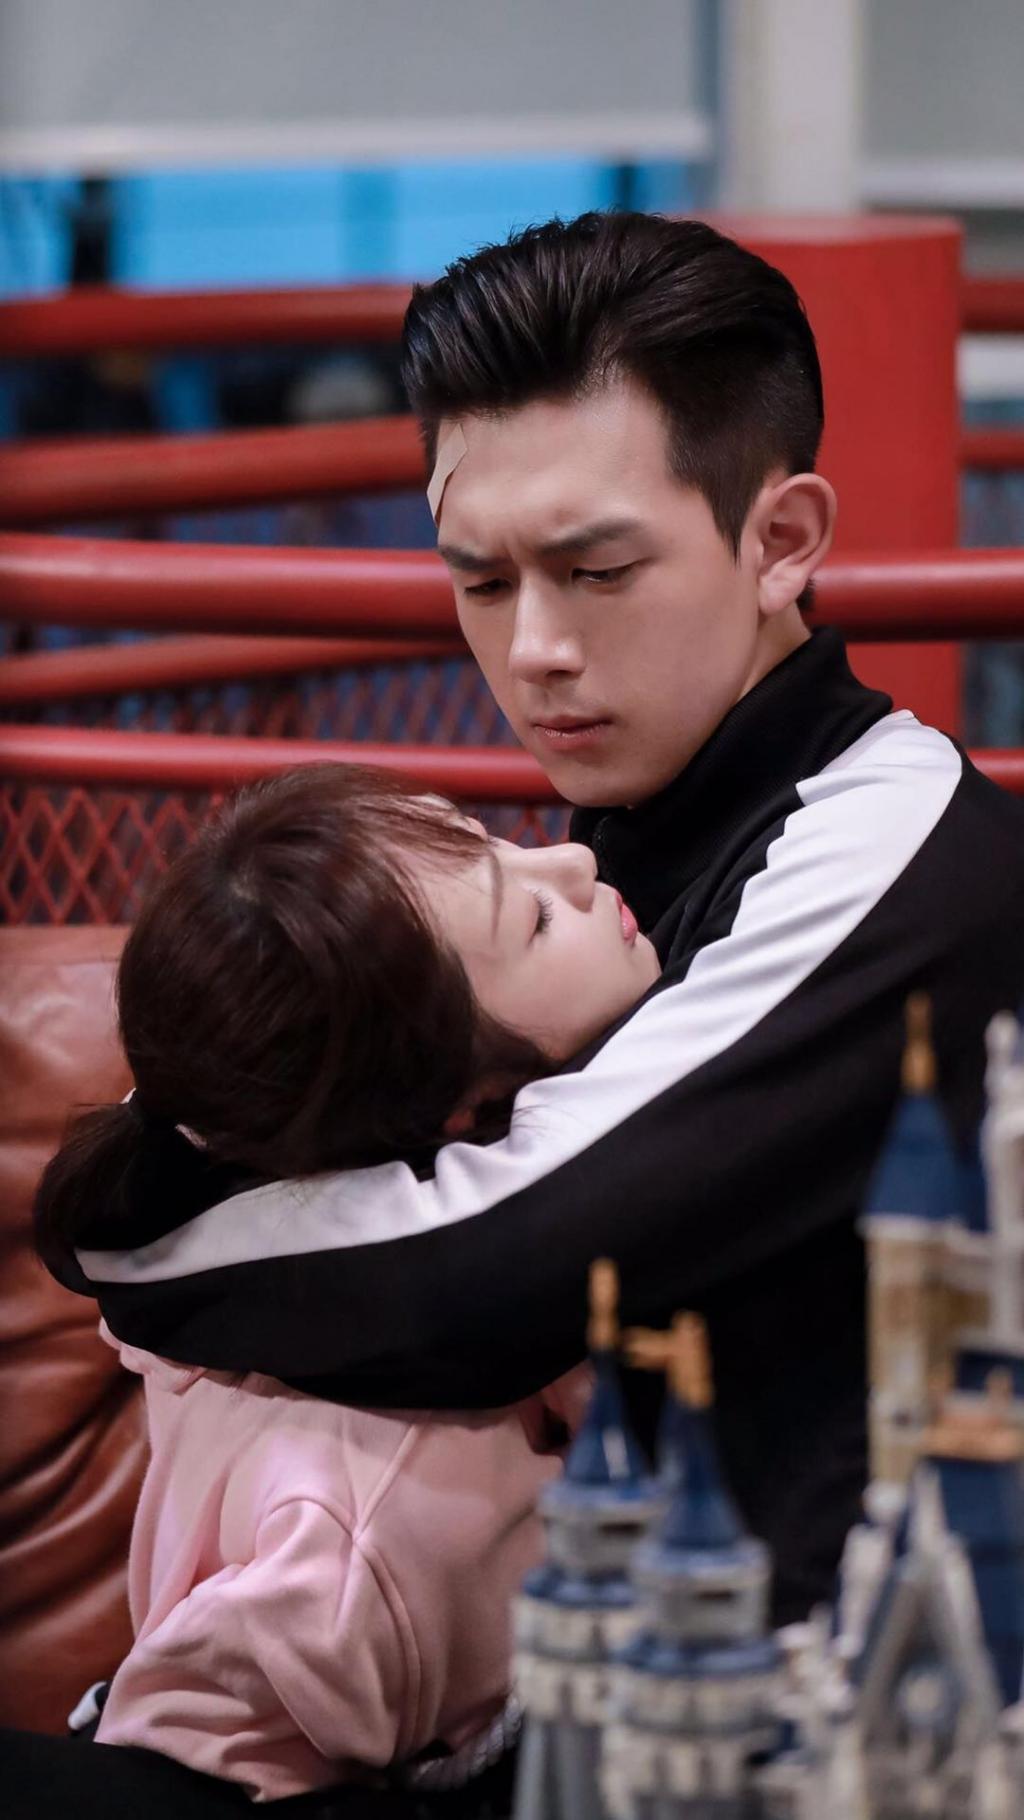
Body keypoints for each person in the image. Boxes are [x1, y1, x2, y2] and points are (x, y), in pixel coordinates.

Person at [60, 211, 1024, 1623]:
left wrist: (129, 1246)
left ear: (781, 542)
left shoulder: (888, 851)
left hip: (851, 1693)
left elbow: (477, 1270)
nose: (533, 652)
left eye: (598, 572)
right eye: (481, 580)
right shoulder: (630, 828)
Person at [34, 764, 656, 1810]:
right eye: (536, 923)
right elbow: (176, 1755)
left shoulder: (265, 1210)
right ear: (452, 1102)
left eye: (497, 842)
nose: (575, 861)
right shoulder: (355, 1528)